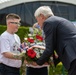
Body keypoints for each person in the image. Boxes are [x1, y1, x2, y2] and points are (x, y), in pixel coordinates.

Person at [31, 6, 76, 75]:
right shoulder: (62, 20)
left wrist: (38, 62)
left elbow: (49, 49)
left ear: (41, 16)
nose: (38, 23)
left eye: (37, 19)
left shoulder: (48, 23)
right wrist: (53, 62)